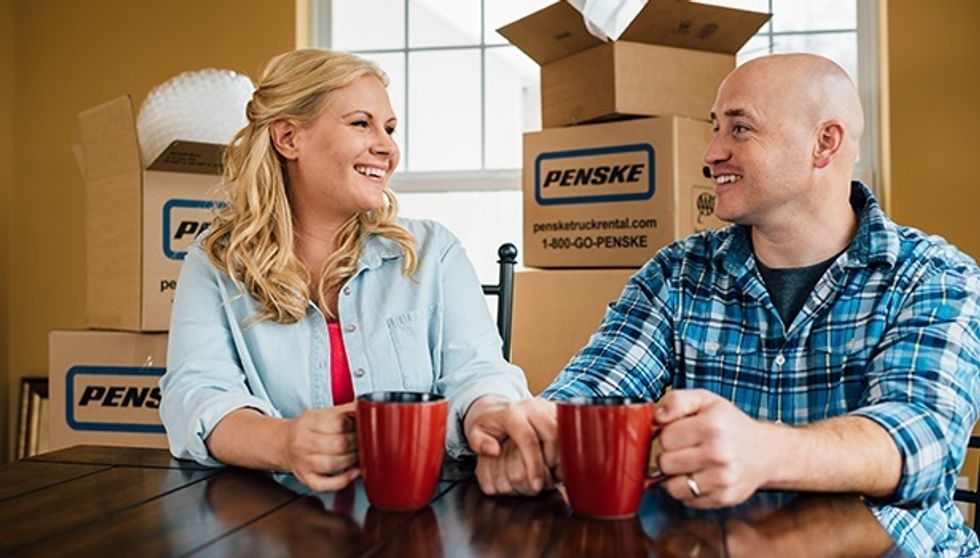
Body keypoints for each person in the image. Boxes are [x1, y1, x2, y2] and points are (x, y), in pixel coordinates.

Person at [465, 53, 980, 556]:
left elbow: (924, 438)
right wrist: (540, 426)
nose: (711, 152)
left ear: (825, 143)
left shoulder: (935, 276)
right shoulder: (677, 273)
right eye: (715, 128)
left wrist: (764, 450)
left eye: (739, 129)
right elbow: (597, 385)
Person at [160, 48, 529, 492]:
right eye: (361, 123)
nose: (387, 147)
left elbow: (479, 372)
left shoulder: (434, 253)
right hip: (274, 521)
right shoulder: (216, 262)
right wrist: (285, 443)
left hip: (421, 510)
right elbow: (195, 395)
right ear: (288, 138)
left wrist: (490, 410)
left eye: (389, 129)